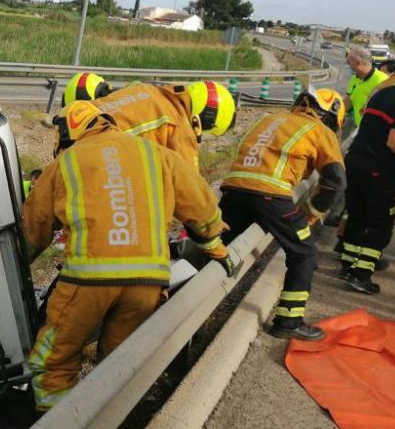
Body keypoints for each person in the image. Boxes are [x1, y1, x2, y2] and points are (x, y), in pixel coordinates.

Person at [23, 101, 237, 410]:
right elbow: (201, 206)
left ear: (69, 134)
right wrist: (217, 249)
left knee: (54, 361)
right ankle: (112, 417)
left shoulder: (67, 162)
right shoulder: (157, 154)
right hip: (147, 283)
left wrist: (15, 266)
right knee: (119, 365)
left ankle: (57, 419)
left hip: (88, 281)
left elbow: (34, 228)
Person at [218, 88, 346, 340]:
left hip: (233, 190)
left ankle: (189, 297)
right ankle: (289, 322)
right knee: (304, 252)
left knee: (220, 246)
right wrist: (309, 214)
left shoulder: (270, 118)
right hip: (271, 197)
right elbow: (336, 182)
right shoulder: (320, 131)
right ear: (330, 115)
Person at [339, 57, 395, 295]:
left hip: (355, 160)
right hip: (380, 168)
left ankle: (348, 265)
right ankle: (361, 274)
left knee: (357, 215)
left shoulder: (383, 93)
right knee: (381, 223)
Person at [90, 80, 237, 169]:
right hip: (90, 156)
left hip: (73, 123)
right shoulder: (179, 125)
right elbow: (190, 189)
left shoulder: (149, 90)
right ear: (206, 118)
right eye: (207, 131)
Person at [345, 47, 388, 127]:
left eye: (349, 62)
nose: (347, 64)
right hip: (358, 127)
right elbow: (348, 101)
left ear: (358, 62)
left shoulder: (382, 81)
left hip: (372, 132)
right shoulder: (355, 78)